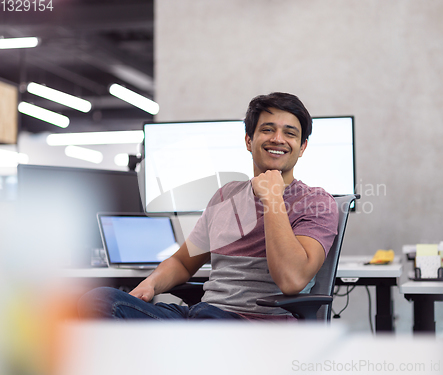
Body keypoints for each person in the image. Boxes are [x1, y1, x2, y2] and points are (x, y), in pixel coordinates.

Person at [78, 92, 338, 321]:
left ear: (302, 147)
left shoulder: (316, 202)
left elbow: (292, 280)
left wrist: (272, 198)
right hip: (202, 314)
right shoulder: (226, 196)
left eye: (290, 133)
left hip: (253, 327)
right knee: (100, 300)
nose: (278, 139)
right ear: (249, 140)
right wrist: (151, 285)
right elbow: (182, 262)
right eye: (267, 129)